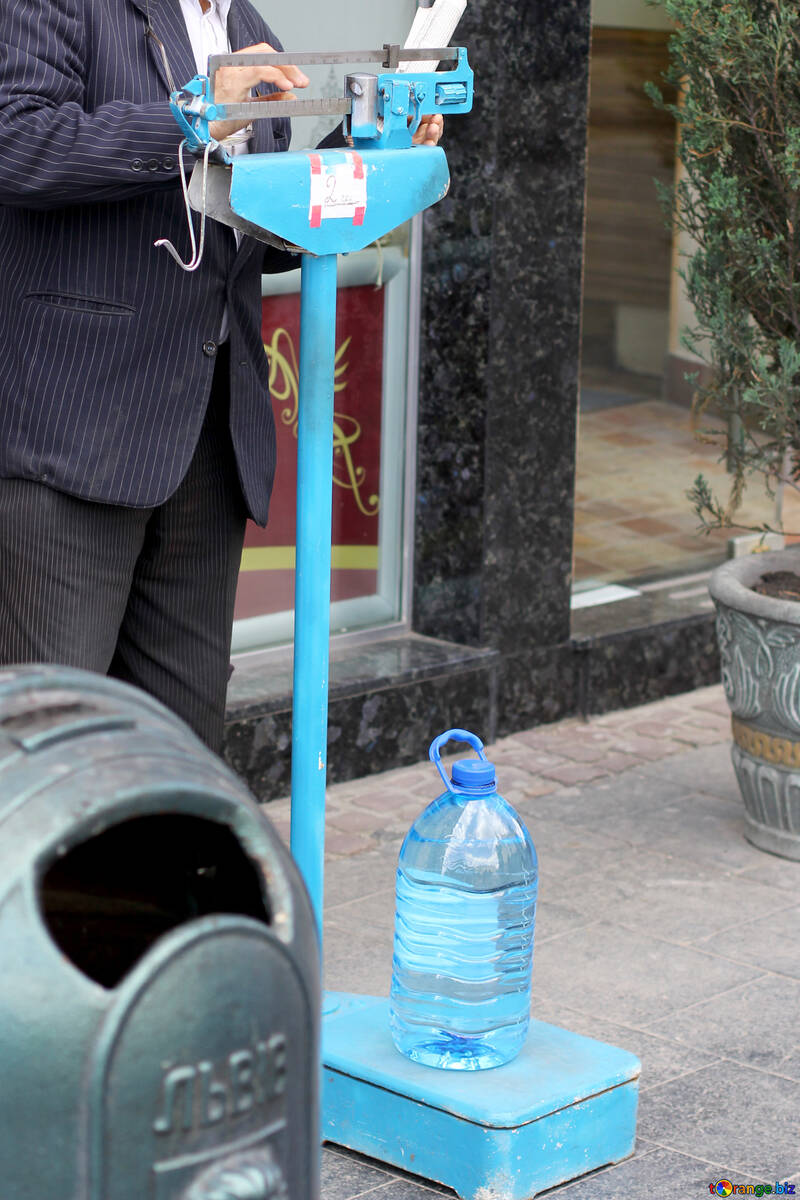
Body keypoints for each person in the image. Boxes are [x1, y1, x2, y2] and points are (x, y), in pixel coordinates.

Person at [0, 0, 441, 753]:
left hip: (209, 442)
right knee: (54, 746)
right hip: (71, 437)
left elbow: (255, 230)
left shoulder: (240, 23)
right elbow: (18, 141)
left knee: (183, 739)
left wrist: (369, 142)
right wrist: (197, 113)